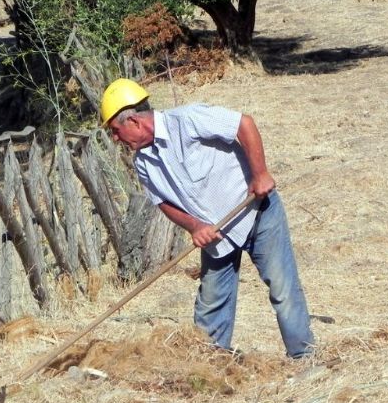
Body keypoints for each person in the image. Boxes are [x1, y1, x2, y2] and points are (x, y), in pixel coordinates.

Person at [100, 78, 314, 359]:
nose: (115, 139)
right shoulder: (143, 163)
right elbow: (162, 201)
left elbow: (244, 124)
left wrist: (260, 173)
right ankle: (209, 367)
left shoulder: (187, 119)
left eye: (116, 131)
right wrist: (194, 226)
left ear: (135, 122)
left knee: (283, 290)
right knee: (210, 304)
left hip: (256, 213)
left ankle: (304, 359)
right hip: (217, 237)